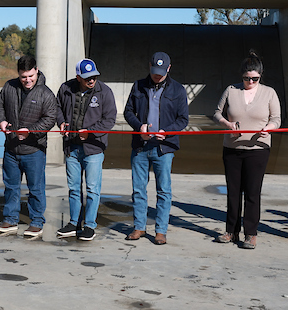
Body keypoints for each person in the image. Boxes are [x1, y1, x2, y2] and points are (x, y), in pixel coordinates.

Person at [211, 50, 282, 249]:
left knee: (253, 192)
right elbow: (216, 113)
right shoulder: (231, 90)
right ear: (241, 76)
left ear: (260, 76)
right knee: (233, 191)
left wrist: (268, 129)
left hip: (258, 149)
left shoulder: (269, 93)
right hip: (232, 148)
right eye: (246, 78)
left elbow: (276, 119)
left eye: (255, 79)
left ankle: (250, 233)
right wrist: (227, 124)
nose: (250, 82)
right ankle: (231, 231)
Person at [123, 52, 189, 245]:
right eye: (154, 71)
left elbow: (183, 119)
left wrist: (167, 131)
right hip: (141, 147)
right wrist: (139, 126)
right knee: (138, 189)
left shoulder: (178, 90)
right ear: (149, 66)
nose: (157, 76)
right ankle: (139, 227)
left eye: (161, 72)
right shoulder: (138, 86)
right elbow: (128, 111)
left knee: (164, 190)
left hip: (164, 148)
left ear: (169, 68)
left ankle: (160, 230)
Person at [0, 55, 58, 238]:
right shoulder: (9, 87)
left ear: (36, 71)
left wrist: (30, 131)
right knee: (11, 186)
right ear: (18, 74)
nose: (27, 80)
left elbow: (50, 119)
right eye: (23, 77)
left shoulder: (46, 93)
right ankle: (10, 219)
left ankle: (37, 221)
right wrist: (2, 121)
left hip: (34, 150)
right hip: (11, 149)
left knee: (36, 188)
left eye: (31, 76)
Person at [56, 58, 117, 241]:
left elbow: (110, 119)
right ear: (78, 77)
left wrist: (90, 133)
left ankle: (89, 225)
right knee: (74, 188)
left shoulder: (104, 92)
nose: (91, 80)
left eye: (94, 77)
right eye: (87, 77)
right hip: (72, 148)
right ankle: (74, 223)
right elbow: (57, 107)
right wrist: (61, 122)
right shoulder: (65, 88)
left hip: (93, 149)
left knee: (92, 189)